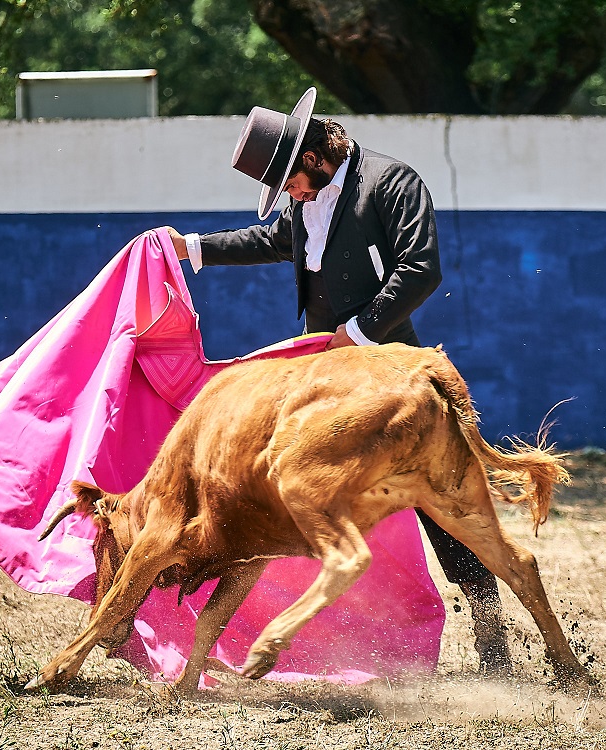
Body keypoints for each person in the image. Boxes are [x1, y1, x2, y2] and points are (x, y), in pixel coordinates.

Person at [157, 87, 511, 675]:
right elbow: (274, 241)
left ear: (316, 155)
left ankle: (490, 629)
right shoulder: (309, 196)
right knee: (295, 494)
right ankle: (324, 641)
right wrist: (192, 247)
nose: (287, 195)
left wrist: (359, 333)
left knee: (441, 502)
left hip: (390, 370)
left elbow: (420, 270)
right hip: (325, 377)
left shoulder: (393, 183)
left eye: (289, 181)